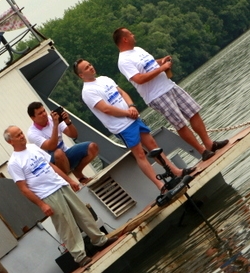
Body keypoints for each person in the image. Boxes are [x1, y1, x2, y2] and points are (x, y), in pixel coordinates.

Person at [73, 59, 192, 191]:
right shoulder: (88, 92)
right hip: (122, 126)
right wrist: (127, 113)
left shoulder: (104, 79)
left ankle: (176, 171)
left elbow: (122, 93)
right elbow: (106, 109)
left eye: (90, 64)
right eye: (86, 68)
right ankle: (160, 185)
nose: (90, 67)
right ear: (81, 75)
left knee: (153, 145)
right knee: (140, 154)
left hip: (133, 117)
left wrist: (131, 106)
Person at [114, 27, 227, 161]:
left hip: (169, 85)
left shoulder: (138, 50)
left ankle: (209, 144)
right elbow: (139, 79)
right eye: (130, 34)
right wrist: (162, 68)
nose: (133, 35)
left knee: (193, 111)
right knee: (180, 123)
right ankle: (202, 151)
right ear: (125, 39)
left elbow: (150, 63)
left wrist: (161, 61)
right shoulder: (124, 60)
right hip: (157, 95)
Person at [4, 125, 109, 266]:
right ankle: (79, 256)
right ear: (10, 141)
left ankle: (100, 240)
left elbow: (52, 166)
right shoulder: (14, 163)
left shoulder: (33, 148)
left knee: (83, 213)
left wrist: (69, 180)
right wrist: (42, 204)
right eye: (17, 135)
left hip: (60, 185)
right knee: (66, 225)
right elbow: (23, 189)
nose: (22, 136)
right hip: (47, 194)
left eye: (21, 133)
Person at [26, 101, 98, 184]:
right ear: (33, 118)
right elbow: (51, 146)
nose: (44, 114)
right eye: (40, 113)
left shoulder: (52, 119)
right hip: (52, 162)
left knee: (92, 147)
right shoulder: (32, 133)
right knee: (58, 153)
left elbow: (73, 135)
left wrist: (68, 122)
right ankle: (71, 182)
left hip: (66, 152)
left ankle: (78, 172)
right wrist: (55, 125)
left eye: (44, 111)